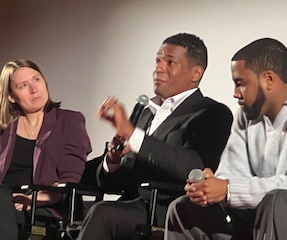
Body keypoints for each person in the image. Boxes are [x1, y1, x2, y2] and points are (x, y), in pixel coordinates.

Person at [76, 33, 233, 240]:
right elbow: (115, 185)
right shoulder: (146, 111)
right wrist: (113, 161)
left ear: (195, 73)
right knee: (80, 216)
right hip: (131, 205)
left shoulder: (212, 113)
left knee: (102, 214)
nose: (158, 68)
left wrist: (133, 134)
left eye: (170, 62)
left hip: (168, 209)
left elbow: (194, 165)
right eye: (157, 61)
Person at [165, 37, 287, 240]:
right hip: (262, 210)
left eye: (240, 83)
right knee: (183, 208)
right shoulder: (247, 115)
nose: (235, 93)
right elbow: (231, 175)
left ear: (269, 80)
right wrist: (211, 187)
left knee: (275, 202)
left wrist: (229, 189)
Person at [0, 59, 92, 240]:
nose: (34, 89)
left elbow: (69, 180)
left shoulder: (69, 122)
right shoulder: (4, 129)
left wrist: (33, 199)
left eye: (36, 79)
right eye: (23, 85)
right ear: (11, 96)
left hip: (43, 209)